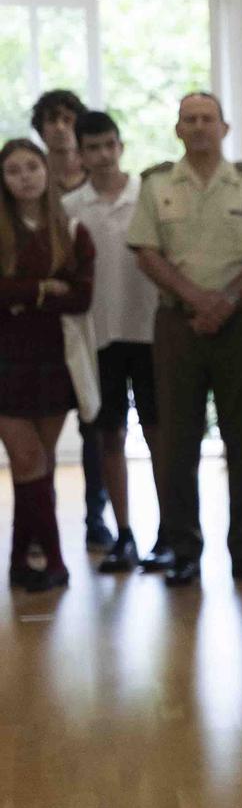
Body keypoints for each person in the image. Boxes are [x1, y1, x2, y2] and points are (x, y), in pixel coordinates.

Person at [126, 92, 242, 589]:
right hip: (178, 327)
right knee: (177, 442)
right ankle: (183, 548)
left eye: (207, 119)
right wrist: (198, 299)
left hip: (239, 325)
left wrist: (226, 302)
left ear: (224, 128)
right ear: (177, 130)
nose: (198, 127)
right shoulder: (156, 185)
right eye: (189, 119)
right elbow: (147, 253)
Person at [64, 111, 164, 574]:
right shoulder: (70, 207)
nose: (103, 156)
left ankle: (172, 531)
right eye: (93, 148)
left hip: (150, 334)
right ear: (80, 154)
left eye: (110, 145)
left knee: (160, 435)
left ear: (121, 146)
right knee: (109, 437)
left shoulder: (149, 196)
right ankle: (124, 533)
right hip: (98, 336)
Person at [1, 137, 95, 592]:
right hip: (5, 361)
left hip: (54, 361)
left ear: (46, 171)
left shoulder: (72, 229)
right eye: (14, 170)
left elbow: (82, 296)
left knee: (35, 466)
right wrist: (43, 289)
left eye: (32, 167)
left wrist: (21, 291)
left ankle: (21, 559)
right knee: (29, 458)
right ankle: (54, 559)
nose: (24, 177)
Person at [32, 88, 107, 550]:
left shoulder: (96, 181)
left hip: (94, 319)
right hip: (40, 326)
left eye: (67, 118)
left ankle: (96, 516)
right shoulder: (28, 182)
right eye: (51, 119)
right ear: (39, 128)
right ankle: (43, 520)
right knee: (40, 428)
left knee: (95, 423)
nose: (59, 127)